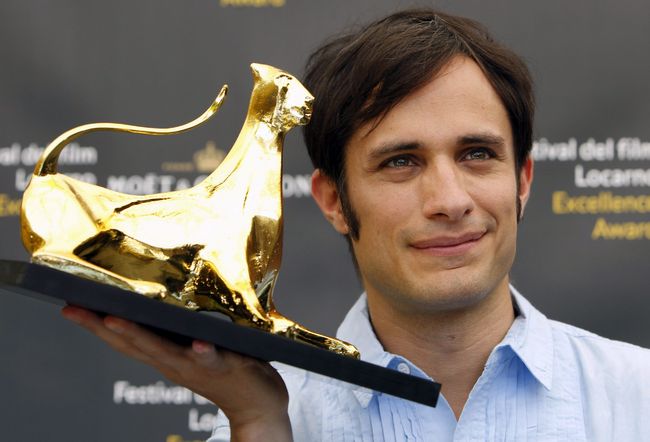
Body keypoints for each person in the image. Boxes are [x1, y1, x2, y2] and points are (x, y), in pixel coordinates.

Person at [63, 8, 650, 442]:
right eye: (401, 162)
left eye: (477, 154)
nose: (450, 200)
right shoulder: (264, 419)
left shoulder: (638, 396)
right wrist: (260, 423)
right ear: (334, 201)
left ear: (522, 180)